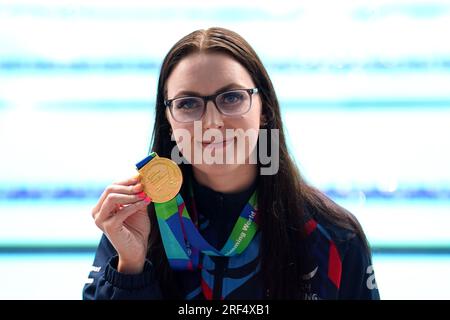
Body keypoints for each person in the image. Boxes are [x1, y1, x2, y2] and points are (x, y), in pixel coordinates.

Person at [83, 27, 380, 300]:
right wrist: (131, 267)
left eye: (232, 98)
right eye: (188, 103)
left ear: (263, 109)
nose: (212, 123)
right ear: (168, 122)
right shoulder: (135, 224)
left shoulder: (333, 235)